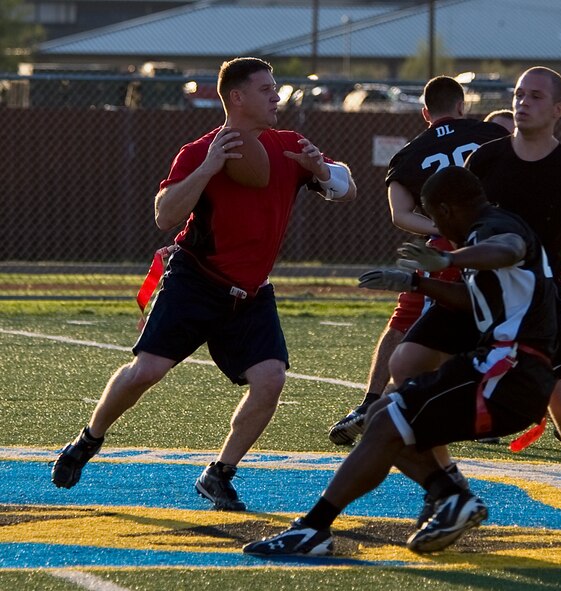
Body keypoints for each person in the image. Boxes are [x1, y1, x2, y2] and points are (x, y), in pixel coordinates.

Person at [50, 57, 357, 511]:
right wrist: (209, 168)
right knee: (147, 371)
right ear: (237, 97)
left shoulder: (290, 144)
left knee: (270, 380)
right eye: (266, 89)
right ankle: (89, 439)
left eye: (276, 88)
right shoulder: (199, 150)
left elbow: (347, 188)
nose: (276, 95)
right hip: (197, 280)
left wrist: (322, 169)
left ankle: (219, 474)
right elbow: (164, 215)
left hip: (251, 291)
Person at [244, 165, 560, 557]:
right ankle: (449, 495)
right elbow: (475, 300)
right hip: (506, 371)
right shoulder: (486, 230)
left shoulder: (491, 229)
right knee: (384, 417)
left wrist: (450, 260)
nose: (437, 231)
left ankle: (313, 529)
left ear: (446, 209)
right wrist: (416, 283)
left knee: (387, 422)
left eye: (435, 218)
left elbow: (509, 248)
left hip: (508, 372)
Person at [398, 66, 561, 547]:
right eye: (517, 94)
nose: (523, 102)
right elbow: (452, 215)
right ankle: (450, 489)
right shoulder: (485, 159)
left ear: (558, 109)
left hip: (537, 309)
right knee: (405, 364)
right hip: (480, 295)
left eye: (535, 96)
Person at [327, 76, 509, 447]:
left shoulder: (410, 153)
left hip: (440, 248)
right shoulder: (489, 133)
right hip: (494, 242)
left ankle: (370, 404)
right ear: (462, 106)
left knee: (405, 322)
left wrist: (444, 230)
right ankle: (486, 408)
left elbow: (400, 215)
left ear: (425, 112)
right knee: (501, 322)